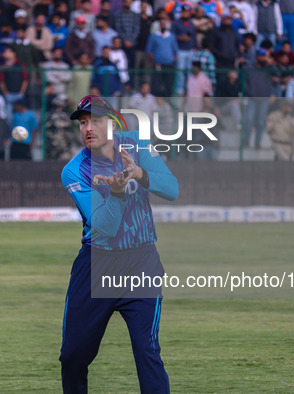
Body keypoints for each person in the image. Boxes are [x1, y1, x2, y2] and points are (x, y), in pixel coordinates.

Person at [60, 95, 178, 393]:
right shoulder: (74, 170)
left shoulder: (138, 144)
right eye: (83, 123)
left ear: (112, 124)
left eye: (96, 121)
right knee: (73, 357)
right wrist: (116, 193)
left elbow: (172, 188)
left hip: (141, 263)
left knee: (147, 351)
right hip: (96, 266)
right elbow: (105, 226)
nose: (88, 128)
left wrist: (139, 172)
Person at [45, 94, 74, 160]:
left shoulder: (47, 115)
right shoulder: (65, 116)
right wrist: (70, 147)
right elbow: (68, 134)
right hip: (62, 146)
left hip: (50, 145)